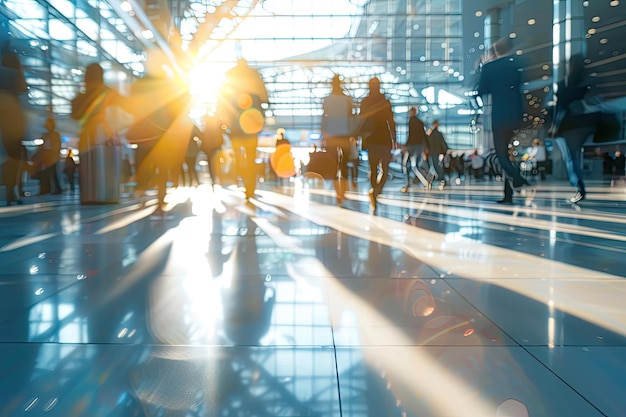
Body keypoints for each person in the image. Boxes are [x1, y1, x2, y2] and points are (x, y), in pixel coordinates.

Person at [71, 63, 133, 204]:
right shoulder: (107, 92)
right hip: (105, 133)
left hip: (87, 135)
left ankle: (90, 195)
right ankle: (107, 195)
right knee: (106, 165)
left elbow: (75, 115)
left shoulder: (82, 95)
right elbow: (126, 104)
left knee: (88, 166)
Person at [477, 38, 529, 204]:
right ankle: (508, 195)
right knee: (508, 156)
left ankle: (517, 178)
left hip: (499, 117)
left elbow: (481, 90)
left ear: (495, 52)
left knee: (501, 156)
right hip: (516, 116)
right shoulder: (516, 65)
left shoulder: (490, 67)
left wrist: (483, 68)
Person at [217, 58, 269, 201]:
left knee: (238, 156)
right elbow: (265, 98)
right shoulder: (254, 75)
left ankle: (243, 179)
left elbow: (221, 100)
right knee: (251, 157)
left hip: (235, 125)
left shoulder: (229, 75)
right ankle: (250, 187)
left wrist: (224, 122)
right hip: (252, 125)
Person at [358, 77, 397, 213]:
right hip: (382, 138)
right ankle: (376, 191)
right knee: (383, 169)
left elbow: (361, 120)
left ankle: (375, 191)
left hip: (373, 139)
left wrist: (360, 137)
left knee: (375, 169)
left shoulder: (366, 102)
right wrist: (394, 138)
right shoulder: (384, 101)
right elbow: (391, 121)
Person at [321, 74, 355, 205]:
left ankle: (337, 192)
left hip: (331, 135)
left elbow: (324, 117)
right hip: (345, 134)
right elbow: (351, 117)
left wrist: (323, 133)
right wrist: (353, 133)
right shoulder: (347, 100)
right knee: (344, 164)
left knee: (334, 164)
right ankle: (343, 191)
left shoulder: (327, 100)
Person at [0, 51, 28, 205]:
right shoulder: (15, 73)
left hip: (2, 119)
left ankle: (9, 188)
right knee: (15, 156)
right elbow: (23, 89)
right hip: (13, 117)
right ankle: (12, 190)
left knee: (7, 154)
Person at [401, 107, 428, 192]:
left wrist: (406, 145)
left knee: (407, 164)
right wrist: (426, 146)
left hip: (412, 145)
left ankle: (408, 183)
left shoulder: (411, 121)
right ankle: (425, 182)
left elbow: (411, 135)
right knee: (416, 165)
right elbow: (424, 135)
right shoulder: (420, 122)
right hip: (419, 145)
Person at [38, 117, 63, 195]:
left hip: (52, 155)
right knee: (43, 173)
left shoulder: (55, 134)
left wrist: (55, 155)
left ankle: (57, 189)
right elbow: (41, 145)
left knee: (53, 173)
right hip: (45, 154)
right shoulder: (44, 135)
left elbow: (57, 146)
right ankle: (45, 189)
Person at [200, 114, 224, 190]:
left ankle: (213, 178)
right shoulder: (216, 129)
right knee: (217, 163)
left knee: (211, 164)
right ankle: (218, 177)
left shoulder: (206, 129)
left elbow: (203, 139)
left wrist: (202, 149)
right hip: (216, 148)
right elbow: (221, 138)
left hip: (209, 149)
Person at [427, 119, 449, 188]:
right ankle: (440, 178)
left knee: (436, 165)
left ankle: (441, 178)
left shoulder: (433, 133)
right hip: (437, 152)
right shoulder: (437, 133)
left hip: (434, 152)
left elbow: (429, 142)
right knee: (436, 165)